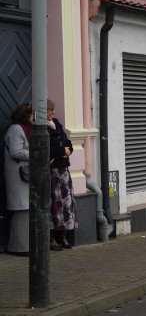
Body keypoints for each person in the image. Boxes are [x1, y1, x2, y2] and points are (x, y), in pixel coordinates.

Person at [46, 100, 77, 250]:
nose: (52, 113)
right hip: (51, 171)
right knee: (54, 204)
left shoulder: (56, 123)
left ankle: (63, 236)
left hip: (63, 170)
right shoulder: (40, 127)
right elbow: (47, 148)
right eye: (51, 110)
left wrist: (68, 150)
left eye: (52, 110)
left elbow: (67, 142)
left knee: (66, 204)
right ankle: (51, 238)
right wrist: (62, 151)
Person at [3, 103, 32, 256]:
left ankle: (23, 245)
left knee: (24, 208)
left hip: (24, 173)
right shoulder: (16, 129)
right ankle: (18, 247)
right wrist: (35, 153)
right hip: (18, 174)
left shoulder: (23, 128)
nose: (34, 118)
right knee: (21, 209)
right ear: (26, 116)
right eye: (31, 115)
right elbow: (16, 151)